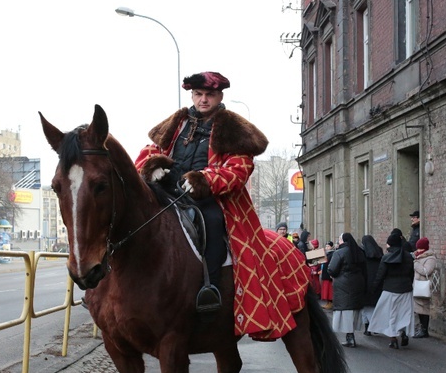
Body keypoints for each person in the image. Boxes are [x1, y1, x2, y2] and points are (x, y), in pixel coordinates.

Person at [134, 71, 309, 341]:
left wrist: (207, 180)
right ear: (192, 95)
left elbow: (240, 168)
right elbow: (150, 150)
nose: (203, 100)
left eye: (209, 95)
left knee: (213, 225)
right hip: (169, 191)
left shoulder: (231, 126)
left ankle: (211, 289)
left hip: (210, 198)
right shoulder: (177, 122)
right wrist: (152, 165)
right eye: (199, 95)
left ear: (220, 96)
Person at [369, 231, 415, 349]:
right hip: (406, 288)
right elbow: (411, 274)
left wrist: (373, 289)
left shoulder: (387, 257)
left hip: (390, 289)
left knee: (390, 314)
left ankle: (393, 338)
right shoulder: (409, 257)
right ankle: (403, 332)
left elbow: (380, 275)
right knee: (404, 313)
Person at [328, 233, 367, 347]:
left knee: (346, 312)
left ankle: (349, 337)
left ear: (342, 241)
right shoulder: (359, 252)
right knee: (353, 311)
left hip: (343, 284)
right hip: (358, 283)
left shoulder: (340, 252)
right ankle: (351, 335)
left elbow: (332, 269)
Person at [412, 237, 437, 338]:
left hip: (424, 286)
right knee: (418, 309)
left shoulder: (430, 258)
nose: (418, 250)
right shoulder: (418, 257)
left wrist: (416, 264)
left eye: (420, 248)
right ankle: (420, 328)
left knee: (424, 308)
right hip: (417, 285)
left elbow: (426, 271)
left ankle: (424, 330)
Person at [361, 234, 384, 336]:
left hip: (366, 282)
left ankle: (367, 327)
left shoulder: (363, 253)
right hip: (378, 282)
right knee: (375, 306)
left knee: (365, 307)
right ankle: (375, 326)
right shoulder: (379, 252)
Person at [319, 241, 335, 309]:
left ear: (331, 247)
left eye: (328, 246)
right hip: (325, 273)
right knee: (325, 289)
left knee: (329, 290)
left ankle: (330, 302)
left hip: (329, 274)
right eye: (326, 246)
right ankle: (327, 302)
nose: (327, 248)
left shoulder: (332, 254)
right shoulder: (326, 254)